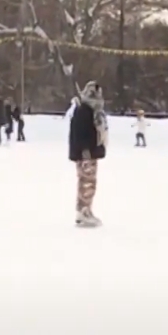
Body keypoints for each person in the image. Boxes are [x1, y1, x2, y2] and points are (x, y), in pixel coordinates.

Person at [68, 81, 107, 227]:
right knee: (87, 181)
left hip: (89, 151)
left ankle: (85, 209)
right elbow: (80, 133)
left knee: (87, 181)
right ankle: (84, 210)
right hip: (86, 153)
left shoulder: (92, 110)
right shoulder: (84, 110)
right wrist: (85, 150)